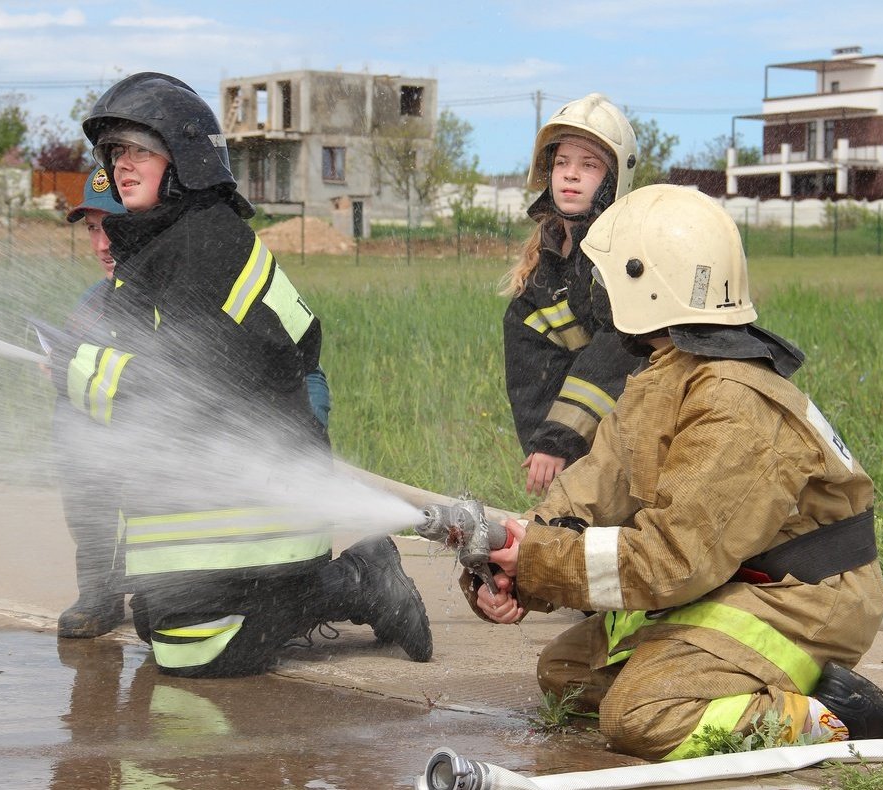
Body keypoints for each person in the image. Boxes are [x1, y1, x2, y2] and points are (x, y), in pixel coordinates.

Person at [468, 184, 883, 760]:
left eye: (608, 279)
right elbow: (594, 486)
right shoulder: (668, 372)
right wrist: (514, 551)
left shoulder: (734, 405)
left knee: (641, 715)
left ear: (646, 283)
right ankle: (725, 679)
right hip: (730, 575)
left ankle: (825, 715)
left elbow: (674, 560)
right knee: (566, 674)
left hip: (801, 596)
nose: (600, 293)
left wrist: (539, 562)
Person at [48, 71, 431, 676]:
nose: (122, 164)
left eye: (140, 149)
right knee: (159, 621)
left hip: (254, 496)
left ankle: (357, 579)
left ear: (185, 160)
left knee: (192, 645)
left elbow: (196, 377)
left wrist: (82, 368)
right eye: (115, 151)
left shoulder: (205, 245)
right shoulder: (165, 242)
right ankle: (320, 584)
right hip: (220, 489)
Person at [501, 94, 642, 497]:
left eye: (589, 165)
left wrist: (560, 437)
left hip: (653, 426)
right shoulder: (541, 279)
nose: (571, 175)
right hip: (595, 437)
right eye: (562, 162)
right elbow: (532, 377)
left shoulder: (626, 255)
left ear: (615, 178)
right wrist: (549, 453)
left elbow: (623, 345)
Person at [53, 167, 129, 639]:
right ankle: (100, 588)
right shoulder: (91, 303)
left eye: (115, 228)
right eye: (93, 229)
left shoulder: (182, 294)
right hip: (115, 448)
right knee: (69, 422)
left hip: (177, 450)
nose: (103, 245)